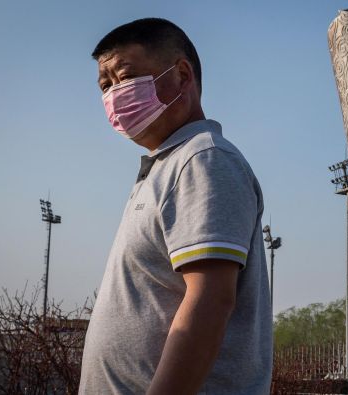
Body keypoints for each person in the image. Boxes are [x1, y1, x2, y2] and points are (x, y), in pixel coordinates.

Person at [78, 18, 272, 395]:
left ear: (182, 75)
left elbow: (210, 299)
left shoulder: (203, 160)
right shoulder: (165, 168)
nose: (115, 94)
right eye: (106, 85)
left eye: (126, 77)